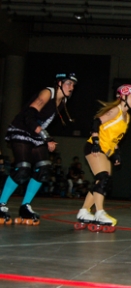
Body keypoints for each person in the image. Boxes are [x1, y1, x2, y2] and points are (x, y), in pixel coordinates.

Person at [0, 72, 78, 225]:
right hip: (22, 129)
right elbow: (29, 115)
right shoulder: (48, 92)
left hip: (35, 134)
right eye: (68, 83)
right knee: (23, 168)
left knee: (44, 169)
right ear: (59, 84)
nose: (72, 87)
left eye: (73, 84)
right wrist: (45, 136)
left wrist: (44, 136)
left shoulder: (63, 101)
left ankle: (25, 206)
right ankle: (1, 203)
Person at [75, 84, 131, 231]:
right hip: (95, 147)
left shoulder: (127, 117)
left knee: (101, 181)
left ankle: (84, 211)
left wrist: (117, 153)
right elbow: (96, 121)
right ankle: (99, 212)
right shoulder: (115, 110)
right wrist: (96, 140)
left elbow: (114, 138)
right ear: (123, 96)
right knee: (103, 178)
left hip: (106, 150)